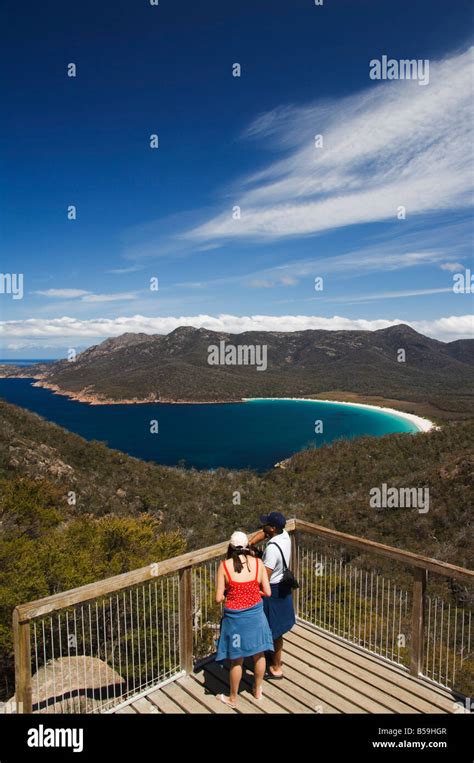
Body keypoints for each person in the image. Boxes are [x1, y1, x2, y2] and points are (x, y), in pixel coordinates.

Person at [215, 530, 273, 707]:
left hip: (235, 619)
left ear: (231, 547)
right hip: (256, 615)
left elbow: (218, 598)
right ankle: (257, 690)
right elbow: (268, 592)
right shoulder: (258, 563)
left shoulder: (224, 566)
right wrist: (255, 592)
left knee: (237, 659)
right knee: (259, 653)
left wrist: (228, 593)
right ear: (248, 546)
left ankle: (233, 698)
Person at [250, 512, 296, 679]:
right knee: (275, 628)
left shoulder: (271, 550)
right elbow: (264, 533)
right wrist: (250, 543)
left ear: (273, 528)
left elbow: (265, 577)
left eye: (266, 525)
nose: (263, 527)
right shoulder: (284, 535)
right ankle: (271, 656)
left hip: (273, 591)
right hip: (282, 586)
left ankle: (276, 668)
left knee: (275, 631)